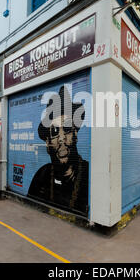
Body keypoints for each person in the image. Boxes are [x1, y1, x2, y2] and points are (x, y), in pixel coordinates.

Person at [27, 85, 89, 216]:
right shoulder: (41, 176)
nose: (61, 139)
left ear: (75, 134)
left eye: (66, 129)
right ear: (48, 142)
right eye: (55, 131)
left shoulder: (90, 175)